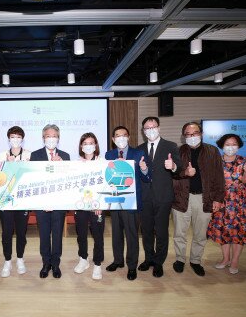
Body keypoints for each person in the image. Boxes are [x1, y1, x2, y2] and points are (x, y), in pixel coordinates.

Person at [172, 122, 225, 276]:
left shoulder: (212, 151)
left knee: (200, 234)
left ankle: (195, 261)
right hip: (182, 198)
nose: (192, 136)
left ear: (201, 134)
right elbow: (173, 174)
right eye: (188, 134)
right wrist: (185, 173)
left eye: (195, 133)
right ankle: (180, 259)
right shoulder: (178, 151)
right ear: (184, 136)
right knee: (179, 233)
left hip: (204, 198)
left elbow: (218, 176)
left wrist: (218, 198)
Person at [207, 134, 246, 274]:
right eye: (227, 144)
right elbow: (212, 183)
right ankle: (225, 259)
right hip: (222, 202)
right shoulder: (215, 161)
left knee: (239, 232)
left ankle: (235, 261)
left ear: (238, 146)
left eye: (234, 144)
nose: (230, 147)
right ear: (222, 145)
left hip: (241, 203)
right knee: (223, 231)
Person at [137, 117, 182, 278]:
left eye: (153, 127)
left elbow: (179, 167)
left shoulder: (170, 146)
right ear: (143, 131)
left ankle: (158, 262)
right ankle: (149, 258)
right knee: (147, 230)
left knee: (161, 231)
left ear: (159, 128)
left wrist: (174, 166)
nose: (150, 130)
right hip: (145, 197)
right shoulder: (139, 148)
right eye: (147, 128)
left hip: (163, 196)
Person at [105, 126, 150, 281]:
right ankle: (118, 261)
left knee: (131, 234)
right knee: (116, 233)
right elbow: (106, 178)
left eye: (124, 135)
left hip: (131, 202)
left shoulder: (138, 154)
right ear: (113, 139)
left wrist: (144, 169)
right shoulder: (108, 155)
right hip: (115, 200)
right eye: (117, 135)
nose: (121, 138)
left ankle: (132, 266)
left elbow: (146, 178)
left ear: (129, 137)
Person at [30, 124, 70, 279]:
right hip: (41, 204)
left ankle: (56, 264)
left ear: (58, 138)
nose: (51, 139)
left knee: (58, 235)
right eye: (48, 136)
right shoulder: (35, 155)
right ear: (43, 138)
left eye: (54, 136)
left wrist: (61, 167)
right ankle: (46, 263)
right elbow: (34, 180)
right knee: (44, 235)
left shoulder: (65, 156)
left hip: (59, 204)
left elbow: (69, 181)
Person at [0, 126, 31, 278]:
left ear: (22, 139)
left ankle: (20, 259)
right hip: (5, 200)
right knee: (7, 232)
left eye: (18, 137)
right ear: (8, 139)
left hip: (23, 200)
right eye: (12, 137)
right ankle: (7, 260)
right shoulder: (1, 155)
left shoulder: (29, 155)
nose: (15, 139)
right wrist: (7, 165)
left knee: (21, 232)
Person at [73, 132, 105, 280]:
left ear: (96, 145)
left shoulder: (102, 161)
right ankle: (83, 259)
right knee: (81, 234)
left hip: (97, 206)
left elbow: (105, 185)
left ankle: (97, 264)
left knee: (97, 235)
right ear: (81, 146)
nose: (88, 146)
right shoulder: (76, 163)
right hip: (81, 206)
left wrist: (100, 203)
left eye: (91, 143)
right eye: (85, 144)